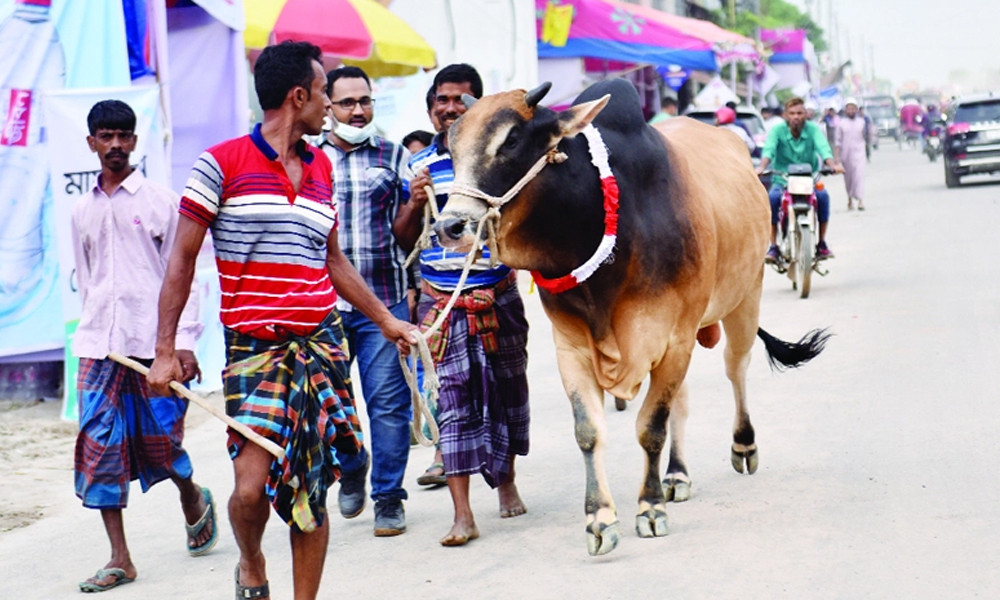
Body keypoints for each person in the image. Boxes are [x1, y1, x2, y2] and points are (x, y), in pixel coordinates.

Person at [148, 41, 415, 600]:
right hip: (255, 350)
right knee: (249, 492)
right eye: (323, 93)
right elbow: (181, 260)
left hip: (322, 346)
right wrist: (166, 348)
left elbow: (333, 259)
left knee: (309, 492)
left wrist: (387, 321)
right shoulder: (219, 163)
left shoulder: (321, 168)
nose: (329, 106)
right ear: (300, 96)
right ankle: (251, 563)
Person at [71, 99, 216, 593]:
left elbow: (187, 274)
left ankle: (192, 495)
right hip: (98, 346)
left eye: (123, 136)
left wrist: (182, 344)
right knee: (99, 444)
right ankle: (120, 558)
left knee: (161, 441)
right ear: (91, 142)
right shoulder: (81, 209)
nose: (115, 145)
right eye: (105, 136)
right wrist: (93, 328)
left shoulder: (160, 201)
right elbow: (87, 277)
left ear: (135, 141)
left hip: (155, 346)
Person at [395, 63, 531, 547]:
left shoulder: (498, 161)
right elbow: (403, 237)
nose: (451, 108)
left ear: (480, 107)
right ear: (430, 108)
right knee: (452, 403)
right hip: (441, 301)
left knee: (507, 394)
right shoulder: (418, 167)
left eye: (463, 100)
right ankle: (462, 514)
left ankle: (507, 483)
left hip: (498, 293)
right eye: (442, 100)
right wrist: (412, 203)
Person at [318, 65, 413, 536]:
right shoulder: (308, 158)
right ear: (328, 107)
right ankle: (352, 463)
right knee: (332, 404)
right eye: (348, 103)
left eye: (365, 101)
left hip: (385, 300)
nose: (358, 111)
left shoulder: (393, 156)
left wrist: (415, 203)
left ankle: (389, 497)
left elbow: (406, 234)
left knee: (389, 404)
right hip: (323, 307)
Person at [755, 96, 844, 263]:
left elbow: (823, 148)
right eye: (792, 113)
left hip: (808, 179)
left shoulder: (813, 129)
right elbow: (769, 150)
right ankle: (773, 246)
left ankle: (821, 243)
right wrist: (761, 167)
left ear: (805, 115)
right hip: (783, 179)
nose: (796, 117)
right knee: (772, 199)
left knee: (823, 197)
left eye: (800, 113)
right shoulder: (777, 130)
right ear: (785, 115)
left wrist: (832, 164)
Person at [835, 97, 868, 211]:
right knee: (848, 179)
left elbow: (865, 136)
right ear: (845, 110)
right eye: (849, 109)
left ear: (856, 109)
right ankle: (849, 199)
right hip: (846, 155)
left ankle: (860, 200)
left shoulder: (862, 122)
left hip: (859, 154)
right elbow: (837, 142)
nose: (851, 111)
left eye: (853, 108)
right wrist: (837, 158)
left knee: (859, 176)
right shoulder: (841, 124)